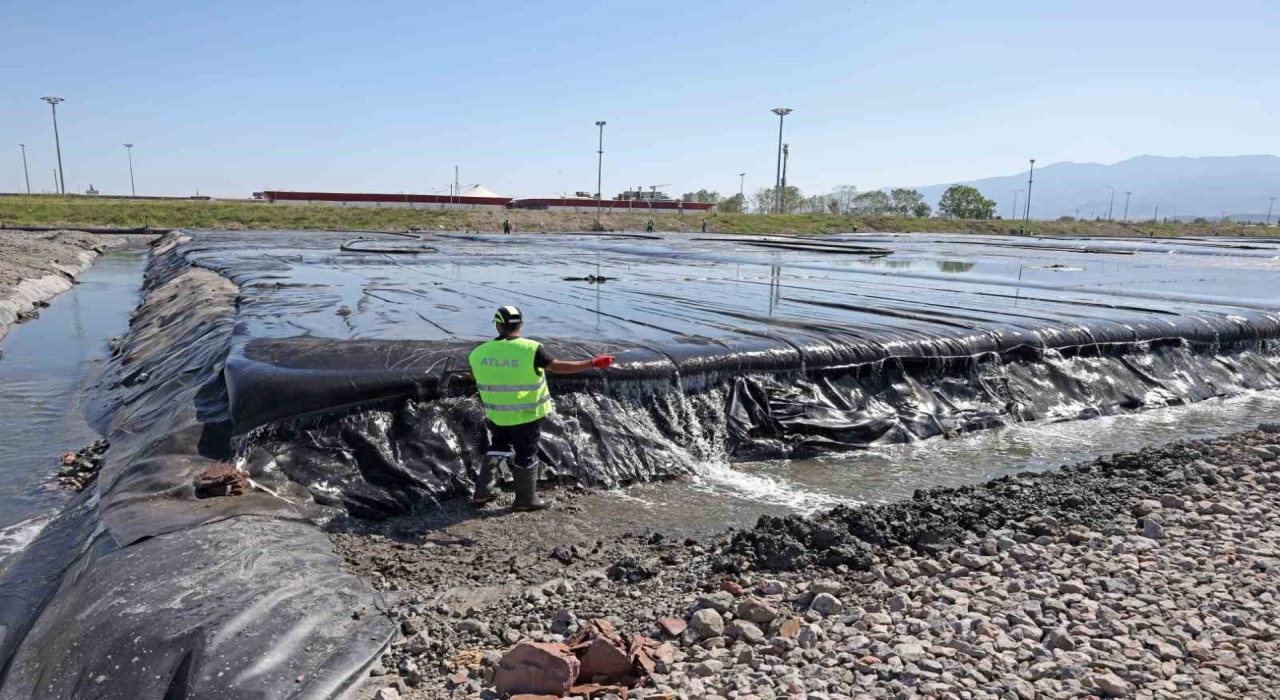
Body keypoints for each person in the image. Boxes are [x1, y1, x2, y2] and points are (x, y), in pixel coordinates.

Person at [468, 305, 614, 511]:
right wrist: (593, 362)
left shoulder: (478, 352)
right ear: (520, 324)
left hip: (497, 413)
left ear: (498, 325)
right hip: (526, 414)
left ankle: (483, 491)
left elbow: (476, 376)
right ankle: (525, 500)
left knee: (499, 445)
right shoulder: (531, 349)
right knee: (526, 453)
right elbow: (558, 367)